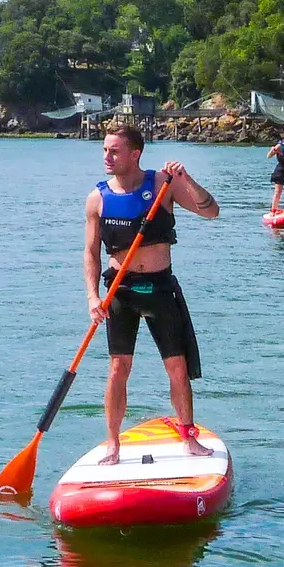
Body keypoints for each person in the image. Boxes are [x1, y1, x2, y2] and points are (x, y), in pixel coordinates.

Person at [84, 124, 220, 464]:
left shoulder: (162, 185)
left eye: (114, 151)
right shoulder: (97, 198)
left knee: (177, 366)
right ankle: (113, 444)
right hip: (120, 289)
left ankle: (188, 437)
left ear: (135, 154)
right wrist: (92, 297)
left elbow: (211, 210)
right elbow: (90, 253)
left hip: (159, 288)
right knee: (118, 367)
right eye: (105, 150)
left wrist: (185, 178)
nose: (107, 157)